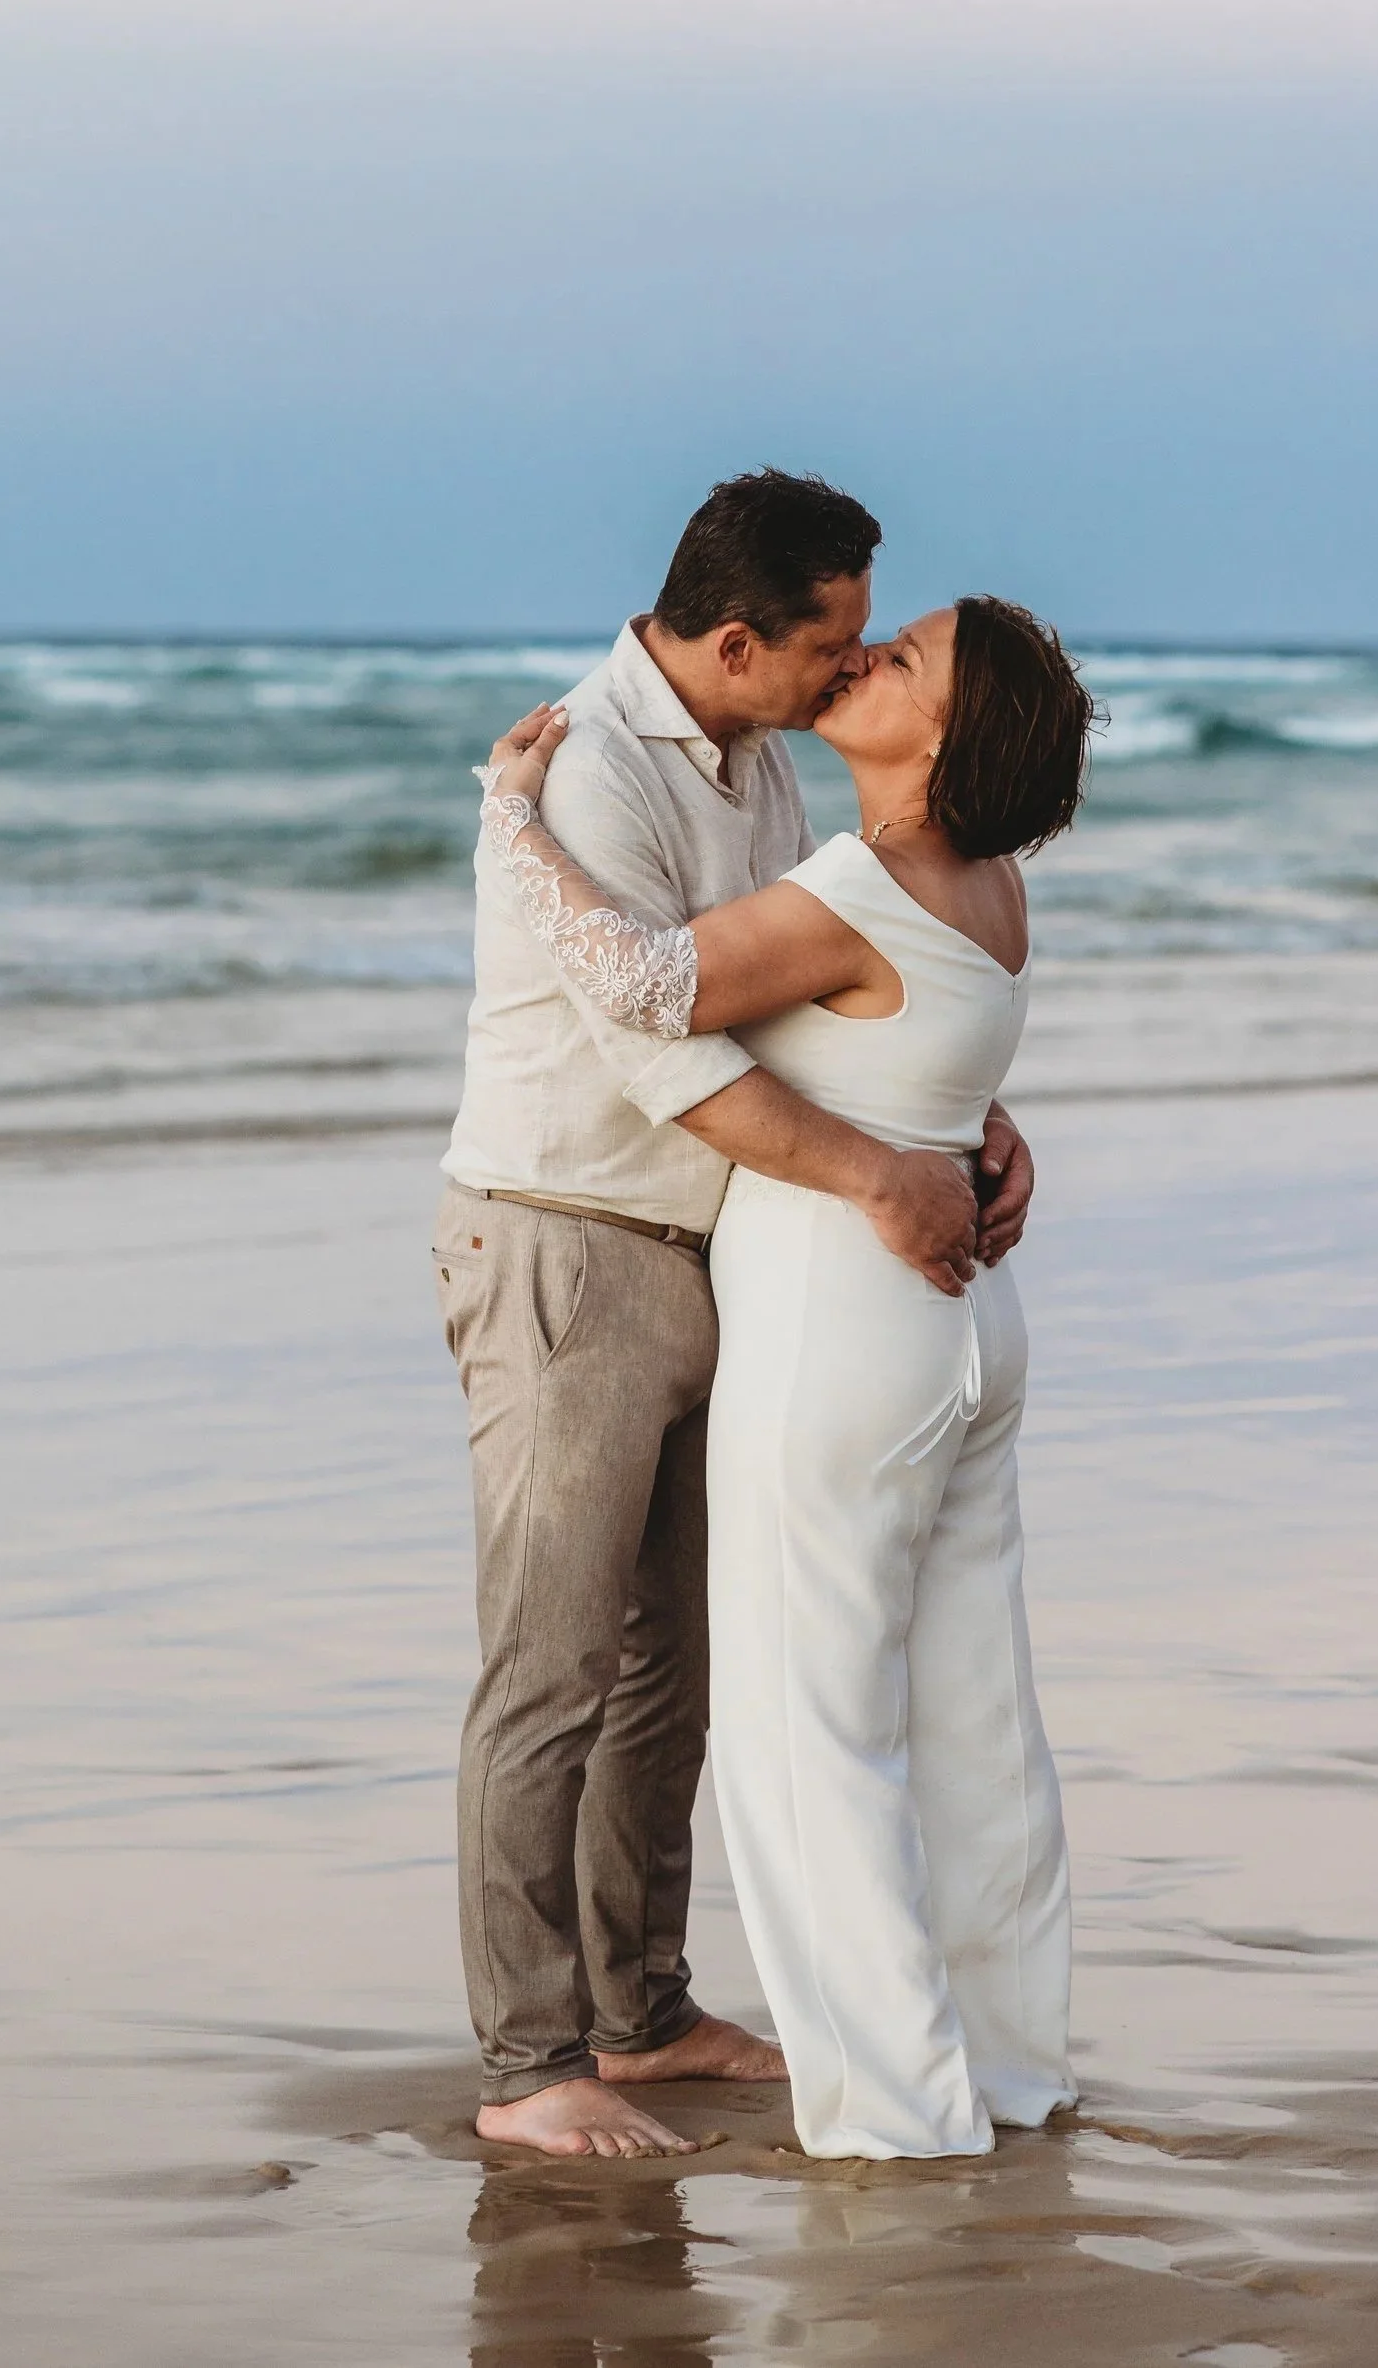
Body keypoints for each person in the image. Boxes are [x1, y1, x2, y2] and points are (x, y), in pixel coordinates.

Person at [434, 471, 1041, 2160]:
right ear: (733, 639)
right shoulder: (592, 772)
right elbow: (664, 1045)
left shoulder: (768, 763)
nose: (851, 670)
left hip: (718, 1255)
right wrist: (882, 1176)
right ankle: (525, 2065)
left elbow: (812, 1003)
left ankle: (638, 2015)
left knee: (668, 1674)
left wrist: (960, 1125)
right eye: (833, 643)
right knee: (548, 1667)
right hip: (567, 1240)